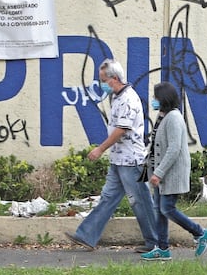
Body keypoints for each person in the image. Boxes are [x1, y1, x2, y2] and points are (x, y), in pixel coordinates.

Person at [65, 58, 158, 252]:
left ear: (114, 78)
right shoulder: (117, 96)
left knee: (140, 201)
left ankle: (155, 243)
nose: (101, 85)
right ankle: (86, 236)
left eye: (103, 81)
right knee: (108, 198)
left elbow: (121, 130)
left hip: (131, 161)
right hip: (119, 159)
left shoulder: (128, 99)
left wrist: (100, 149)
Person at [140, 81, 207, 261]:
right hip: (159, 172)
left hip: (170, 173)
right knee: (159, 209)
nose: (153, 100)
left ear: (164, 98)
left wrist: (159, 173)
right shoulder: (163, 116)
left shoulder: (173, 118)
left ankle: (200, 232)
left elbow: (174, 149)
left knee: (167, 208)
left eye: (156, 97)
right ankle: (162, 248)